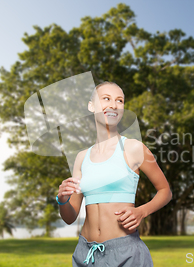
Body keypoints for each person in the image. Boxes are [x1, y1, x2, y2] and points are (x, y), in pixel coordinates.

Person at [57, 81, 172, 266]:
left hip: (125, 252)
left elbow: (165, 191)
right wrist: (62, 200)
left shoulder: (134, 148)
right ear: (91, 106)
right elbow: (70, 217)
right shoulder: (81, 157)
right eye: (106, 99)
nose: (113, 105)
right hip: (85, 254)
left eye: (119, 100)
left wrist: (141, 212)